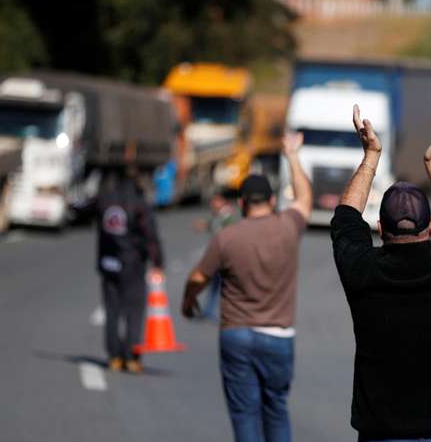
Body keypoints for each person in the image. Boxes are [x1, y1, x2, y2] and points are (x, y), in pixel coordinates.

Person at [331, 105, 431, 442]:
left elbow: (345, 217)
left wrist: (371, 155)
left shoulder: (363, 270)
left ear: (380, 227)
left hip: (382, 434)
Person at [180, 132, 312, 442]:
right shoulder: (288, 227)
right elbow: (304, 198)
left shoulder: (227, 237)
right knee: (276, 409)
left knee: (244, 414)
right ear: (270, 200)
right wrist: (291, 154)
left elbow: (198, 278)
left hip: (236, 335)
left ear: (241, 203)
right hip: (279, 336)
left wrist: (188, 302)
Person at [96, 168, 165, 374]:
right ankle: (131, 356)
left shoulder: (104, 201)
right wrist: (158, 262)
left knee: (112, 311)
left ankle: (113, 356)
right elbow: (150, 236)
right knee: (134, 312)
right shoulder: (139, 204)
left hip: (107, 263)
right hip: (132, 265)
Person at [192, 192, 239, 320]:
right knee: (214, 286)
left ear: (221, 201)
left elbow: (225, 232)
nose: (212, 205)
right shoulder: (220, 215)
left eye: (214, 202)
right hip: (218, 258)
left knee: (226, 287)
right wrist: (205, 225)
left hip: (225, 258)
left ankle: (227, 313)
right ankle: (208, 311)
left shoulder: (229, 215)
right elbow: (214, 225)